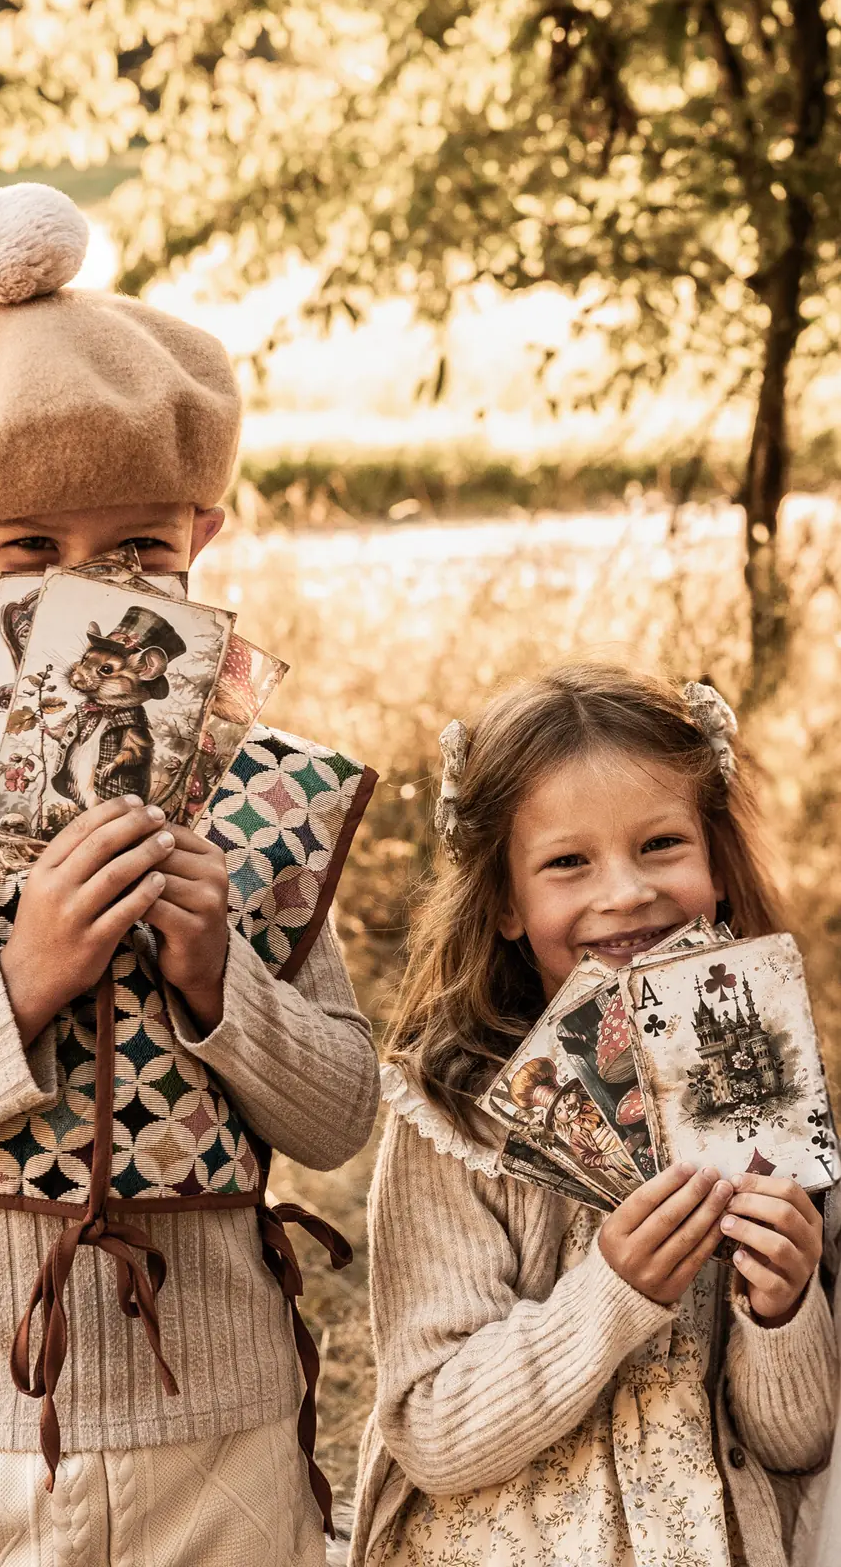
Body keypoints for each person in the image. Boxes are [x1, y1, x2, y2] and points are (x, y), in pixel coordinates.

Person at [0, 183, 380, 1567]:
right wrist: (17, 986)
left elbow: (340, 1113)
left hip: (223, 1441)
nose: (83, 592)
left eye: (135, 551)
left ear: (201, 540)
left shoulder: (260, 792)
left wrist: (221, 980)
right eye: (28, 552)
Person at [351, 662, 836, 1567]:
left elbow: (797, 1447)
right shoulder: (450, 1118)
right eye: (567, 862)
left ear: (716, 863)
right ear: (504, 902)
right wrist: (612, 1294)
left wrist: (783, 1308)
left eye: (660, 844)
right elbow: (433, 1433)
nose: (623, 892)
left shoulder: (771, 1097)